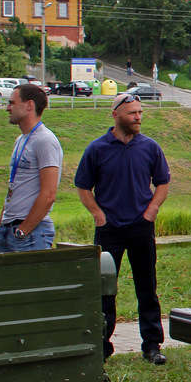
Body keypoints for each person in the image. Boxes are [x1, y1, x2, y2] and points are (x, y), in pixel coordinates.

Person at [75, 93, 171, 364]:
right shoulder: (97, 149)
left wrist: (151, 211)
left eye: (140, 112)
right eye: (132, 113)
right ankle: (101, 346)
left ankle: (152, 346)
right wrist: (98, 214)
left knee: (147, 288)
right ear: (116, 115)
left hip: (141, 228)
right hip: (109, 230)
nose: (138, 117)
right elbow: (83, 186)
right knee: (105, 289)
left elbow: (162, 182)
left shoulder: (150, 147)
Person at [0, 84, 61, 253]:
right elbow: (16, 184)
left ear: (29, 105)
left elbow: (48, 195)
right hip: (9, 227)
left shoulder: (45, 140)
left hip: (30, 233)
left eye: (12, 103)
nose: (8, 108)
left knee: (30, 280)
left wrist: (23, 230)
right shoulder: (21, 140)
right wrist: (1, 221)